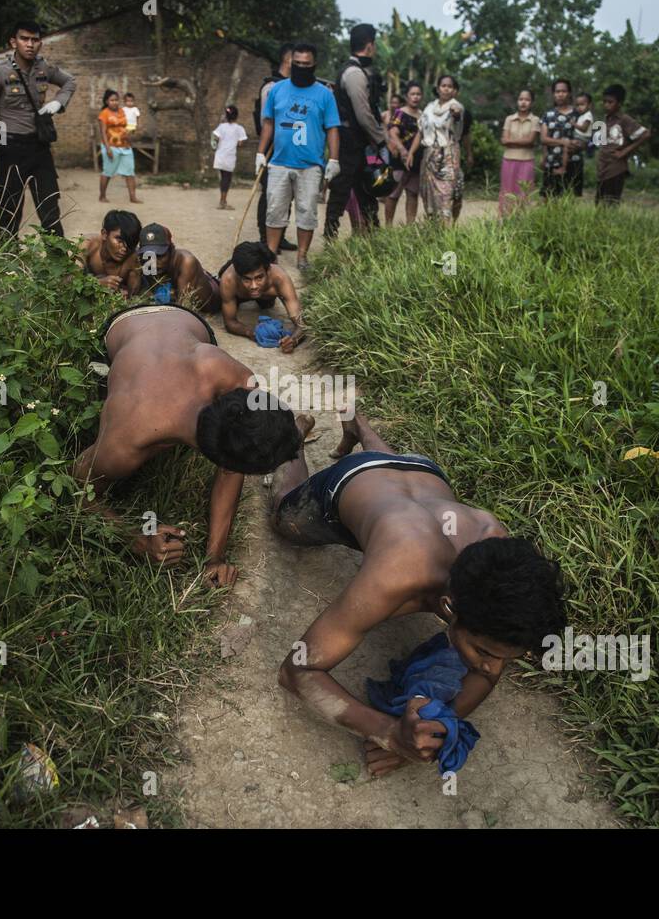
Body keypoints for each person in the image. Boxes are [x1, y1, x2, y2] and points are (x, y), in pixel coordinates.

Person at [271, 403, 567, 775]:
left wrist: (441, 723)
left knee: (396, 486)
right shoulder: (397, 576)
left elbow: (488, 669)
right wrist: (389, 733)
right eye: (485, 652)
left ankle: (358, 424)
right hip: (352, 481)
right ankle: (295, 438)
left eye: (506, 657)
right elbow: (296, 670)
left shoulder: (501, 557)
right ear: (447, 606)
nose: (493, 668)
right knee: (284, 512)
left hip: (421, 472)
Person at [71, 307, 304, 590]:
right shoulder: (127, 441)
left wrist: (214, 559)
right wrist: (136, 539)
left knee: (239, 441)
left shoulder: (237, 379)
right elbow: (79, 486)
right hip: (123, 324)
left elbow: (234, 463)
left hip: (183, 319)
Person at [0, 19, 75, 241]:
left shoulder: (44, 68)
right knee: (10, 211)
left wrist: (58, 103)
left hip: (39, 147)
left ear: (40, 43)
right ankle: (8, 261)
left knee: (50, 210)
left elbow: (69, 82)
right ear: (13, 42)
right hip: (11, 149)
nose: (30, 44)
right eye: (24, 39)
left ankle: (58, 263)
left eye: (35, 40)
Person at [256, 42, 340, 273]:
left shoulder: (325, 94)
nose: (301, 67)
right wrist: (260, 153)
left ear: (314, 65)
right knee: (274, 210)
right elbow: (269, 123)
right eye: (298, 63)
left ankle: (302, 256)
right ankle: (271, 255)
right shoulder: (277, 90)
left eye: (306, 64)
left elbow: (332, 127)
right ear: (291, 63)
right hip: (280, 163)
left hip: (310, 165)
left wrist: (334, 159)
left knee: (307, 212)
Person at [323, 23, 387, 240]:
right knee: (341, 192)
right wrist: (381, 141)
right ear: (369, 45)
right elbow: (363, 115)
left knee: (366, 191)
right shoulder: (354, 73)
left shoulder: (354, 71)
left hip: (357, 142)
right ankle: (330, 240)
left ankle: (373, 239)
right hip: (351, 141)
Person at [217, 241, 305, 353]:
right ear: (238, 275)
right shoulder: (228, 280)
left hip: (266, 297)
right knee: (216, 300)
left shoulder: (280, 278)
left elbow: (302, 324)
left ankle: (262, 297)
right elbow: (230, 323)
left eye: (259, 278)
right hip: (240, 294)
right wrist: (251, 332)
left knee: (267, 305)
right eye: (247, 279)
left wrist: (293, 340)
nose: (253, 286)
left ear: (268, 270)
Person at [254, 45, 298, 253]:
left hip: (290, 149)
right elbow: (267, 121)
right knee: (270, 195)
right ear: (288, 60)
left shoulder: (292, 87)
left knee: (286, 193)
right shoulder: (271, 87)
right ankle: (265, 237)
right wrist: (263, 151)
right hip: (272, 148)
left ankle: (279, 236)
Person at [133, 223, 222, 312]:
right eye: (149, 256)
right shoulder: (142, 259)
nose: (154, 263)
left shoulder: (186, 262)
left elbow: (183, 308)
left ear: (171, 248)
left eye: (160, 256)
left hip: (211, 298)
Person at [419, 74, 467, 223]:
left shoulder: (456, 106)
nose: (446, 89)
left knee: (446, 194)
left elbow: (457, 116)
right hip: (429, 155)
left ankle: (447, 231)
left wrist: (456, 114)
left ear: (454, 90)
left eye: (450, 86)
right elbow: (421, 131)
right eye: (443, 85)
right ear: (438, 88)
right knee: (429, 194)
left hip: (448, 155)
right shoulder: (429, 108)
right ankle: (433, 230)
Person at [595, 84, 649, 206]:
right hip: (603, 167)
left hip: (615, 168)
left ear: (619, 103)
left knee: (610, 203)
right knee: (599, 203)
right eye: (604, 102)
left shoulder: (624, 119)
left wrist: (625, 152)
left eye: (610, 102)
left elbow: (645, 134)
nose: (606, 105)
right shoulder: (606, 118)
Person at [385, 81, 424, 225]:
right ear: (407, 96)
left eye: (418, 94)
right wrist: (403, 150)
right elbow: (393, 132)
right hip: (398, 159)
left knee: (412, 193)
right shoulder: (400, 113)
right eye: (412, 94)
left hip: (416, 160)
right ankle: (388, 226)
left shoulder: (423, 115)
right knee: (393, 193)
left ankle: (410, 226)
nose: (416, 97)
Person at [78, 209, 141, 294]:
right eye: (119, 241)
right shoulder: (88, 244)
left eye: (130, 243)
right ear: (104, 234)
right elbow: (69, 280)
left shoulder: (134, 258)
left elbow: (135, 299)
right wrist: (96, 284)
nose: (124, 249)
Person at [97, 89, 142, 204]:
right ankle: (102, 196)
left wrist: (131, 134)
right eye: (112, 100)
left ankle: (133, 197)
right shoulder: (104, 114)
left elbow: (131, 124)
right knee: (108, 172)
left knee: (130, 172)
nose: (114, 102)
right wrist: (107, 149)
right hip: (111, 146)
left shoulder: (123, 112)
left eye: (116, 100)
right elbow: (102, 132)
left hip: (126, 146)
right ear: (107, 101)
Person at [499, 88, 539, 215]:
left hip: (527, 160)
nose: (523, 102)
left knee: (524, 192)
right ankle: (505, 221)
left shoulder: (535, 120)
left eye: (527, 100)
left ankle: (522, 222)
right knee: (507, 192)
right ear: (517, 101)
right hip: (508, 159)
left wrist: (512, 141)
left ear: (532, 102)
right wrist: (522, 141)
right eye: (521, 99)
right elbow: (503, 140)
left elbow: (531, 141)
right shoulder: (509, 119)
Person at [539, 79, 580, 199]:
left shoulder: (578, 114)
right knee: (548, 199)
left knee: (569, 199)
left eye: (564, 91)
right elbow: (543, 139)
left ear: (569, 93)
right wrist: (563, 142)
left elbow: (585, 138)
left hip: (573, 163)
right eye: (557, 91)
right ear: (553, 94)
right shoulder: (548, 115)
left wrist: (579, 144)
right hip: (551, 162)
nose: (560, 94)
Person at [212, 105, 248, 210]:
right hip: (230, 156)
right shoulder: (239, 128)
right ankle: (223, 201)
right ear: (236, 116)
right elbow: (241, 143)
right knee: (227, 179)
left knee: (223, 178)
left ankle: (222, 200)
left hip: (220, 155)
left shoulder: (221, 127)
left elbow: (215, 137)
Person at [569, 92, 595, 197]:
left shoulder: (588, 116)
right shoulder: (582, 115)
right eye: (578, 105)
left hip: (581, 138)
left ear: (589, 105)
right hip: (578, 137)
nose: (579, 107)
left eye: (582, 104)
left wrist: (574, 124)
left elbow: (584, 129)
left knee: (568, 149)